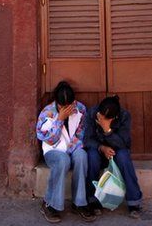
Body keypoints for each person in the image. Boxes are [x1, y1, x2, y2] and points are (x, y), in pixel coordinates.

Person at [36, 81, 96, 223]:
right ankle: (50, 204)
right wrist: (59, 120)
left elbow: (82, 135)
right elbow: (48, 139)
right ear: (57, 102)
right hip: (53, 151)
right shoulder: (47, 112)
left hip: (74, 148)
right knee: (63, 160)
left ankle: (80, 203)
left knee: (81, 156)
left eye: (69, 106)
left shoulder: (80, 109)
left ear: (73, 101)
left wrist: (70, 150)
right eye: (63, 106)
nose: (67, 109)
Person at [84, 95, 143, 219]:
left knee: (124, 156)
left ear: (115, 117)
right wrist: (101, 147)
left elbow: (124, 143)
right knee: (92, 156)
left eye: (107, 119)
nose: (102, 119)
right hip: (99, 150)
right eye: (101, 116)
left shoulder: (124, 116)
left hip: (116, 151)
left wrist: (107, 130)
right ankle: (92, 201)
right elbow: (87, 140)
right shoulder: (92, 113)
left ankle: (134, 202)